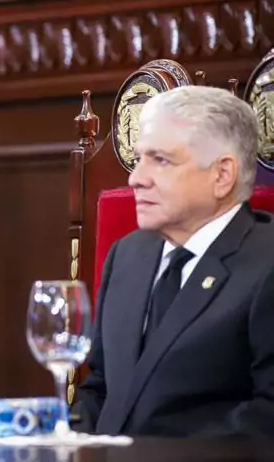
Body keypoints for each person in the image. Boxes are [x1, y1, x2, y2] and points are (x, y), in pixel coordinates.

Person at [75, 86, 274, 438]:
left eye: (161, 160)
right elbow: (102, 390)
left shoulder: (265, 262)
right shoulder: (127, 255)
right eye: (139, 159)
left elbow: (267, 416)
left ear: (222, 175)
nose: (135, 178)